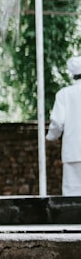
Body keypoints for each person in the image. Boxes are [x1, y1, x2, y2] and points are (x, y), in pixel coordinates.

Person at [47, 56, 81, 196]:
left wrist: (50, 137)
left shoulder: (64, 94)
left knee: (72, 196)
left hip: (72, 153)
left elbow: (57, 122)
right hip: (71, 153)